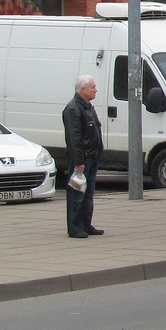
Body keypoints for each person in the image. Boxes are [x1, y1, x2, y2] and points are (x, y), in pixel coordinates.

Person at [62, 74, 104, 239]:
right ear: (83, 89)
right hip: (82, 160)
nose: (96, 90)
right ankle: (74, 227)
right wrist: (79, 162)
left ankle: (86, 224)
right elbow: (74, 138)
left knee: (88, 194)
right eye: (93, 87)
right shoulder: (73, 109)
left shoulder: (88, 107)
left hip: (91, 157)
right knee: (77, 194)